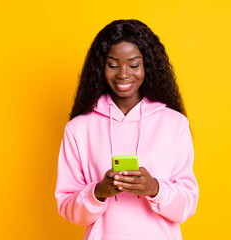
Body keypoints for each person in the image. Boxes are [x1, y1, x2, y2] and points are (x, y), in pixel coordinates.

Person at [55, 19, 199, 240]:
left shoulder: (174, 124)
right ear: (100, 66)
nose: (123, 74)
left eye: (133, 65)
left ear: (147, 66)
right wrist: (98, 192)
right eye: (113, 64)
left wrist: (155, 188)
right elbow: (67, 207)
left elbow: (187, 205)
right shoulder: (78, 129)